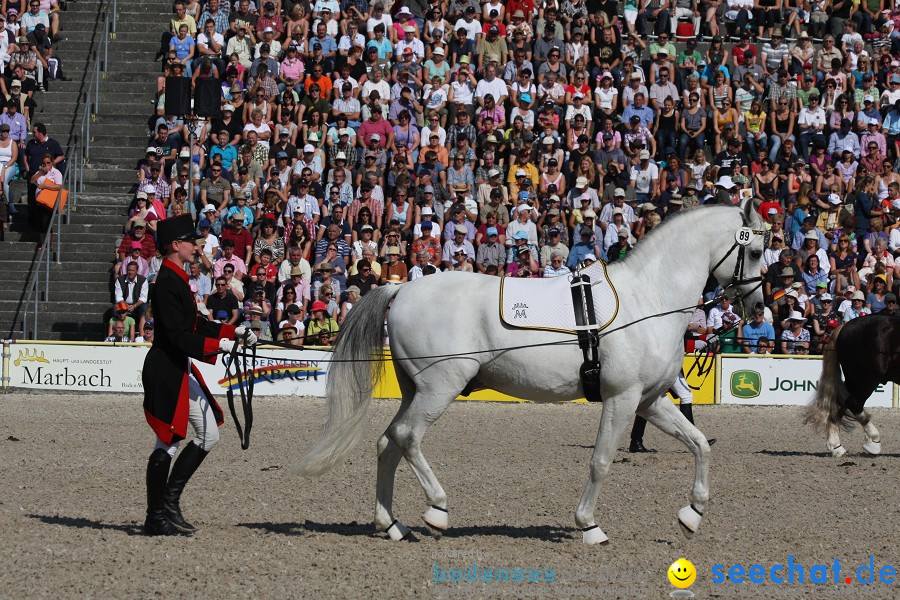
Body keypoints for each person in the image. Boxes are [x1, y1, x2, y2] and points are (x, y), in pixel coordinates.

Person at [141, 214, 256, 536]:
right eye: (192, 242)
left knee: (207, 434)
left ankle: (168, 504)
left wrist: (235, 332)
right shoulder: (166, 283)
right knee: (167, 441)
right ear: (176, 246)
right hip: (167, 369)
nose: (197, 246)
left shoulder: (177, 279)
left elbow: (197, 324)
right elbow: (179, 336)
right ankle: (156, 515)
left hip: (178, 368)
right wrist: (220, 345)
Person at [629, 371, 715, 453]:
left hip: (671, 366)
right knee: (648, 399)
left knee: (685, 395)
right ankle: (636, 441)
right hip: (662, 366)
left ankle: (695, 440)